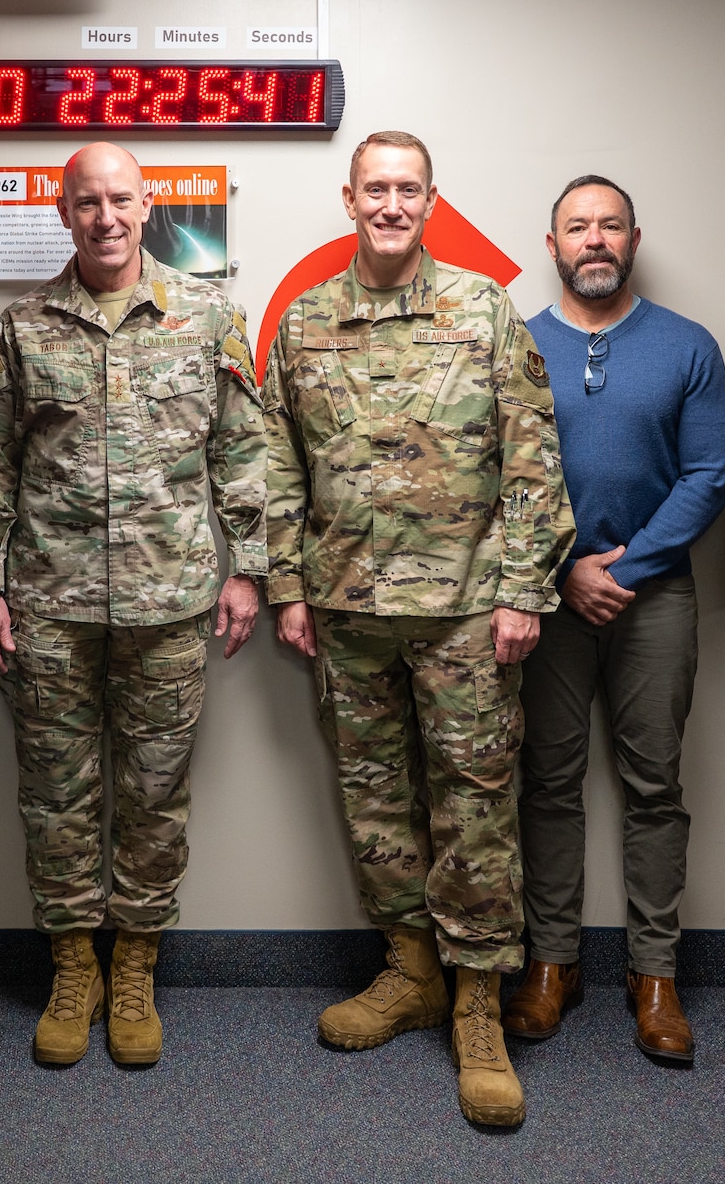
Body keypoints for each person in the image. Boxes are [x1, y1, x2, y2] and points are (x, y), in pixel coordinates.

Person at [264, 130, 574, 1128]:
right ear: (347, 197)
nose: (390, 204)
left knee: (474, 806)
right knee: (371, 798)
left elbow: (531, 455)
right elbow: (275, 462)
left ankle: (477, 999)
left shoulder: (480, 309)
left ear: (429, 199)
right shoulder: (306, 320)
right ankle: (411, 969)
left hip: (463, 608)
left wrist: (523, 588)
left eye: (407, 189)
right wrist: (285, 585)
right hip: (346, 606)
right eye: (374, 189)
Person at [0, 142, 266, 1068]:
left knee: (155, 795)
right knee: (55, 798)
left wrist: (247, 564)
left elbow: (243, 448)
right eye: (87, 201)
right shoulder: (19, 329)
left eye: (121, 200)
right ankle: (71, 966)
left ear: (147, 209)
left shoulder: (210, 314)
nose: (105, 216)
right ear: (64, 213)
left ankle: (133, 965)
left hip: (171, 604)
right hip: (47, 604)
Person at [503, 176, 725, 1061]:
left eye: (609, 225)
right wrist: (565, 572)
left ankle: (655, 975)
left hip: (656, 599)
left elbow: (709, 473)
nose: (593, 239)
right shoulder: (515, 346)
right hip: (545, 600)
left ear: (634, 238)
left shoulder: (686, 345)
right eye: (576, 226)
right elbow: (496, 474)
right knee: (548, 785)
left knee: (654, 787)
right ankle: (551, 965)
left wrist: (625, 567)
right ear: (552, 241)